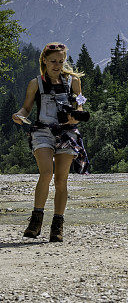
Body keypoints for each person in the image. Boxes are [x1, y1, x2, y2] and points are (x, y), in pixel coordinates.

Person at [11, 42, 90, 242]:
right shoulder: (35, 83)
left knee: (61, 179)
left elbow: (79, 107)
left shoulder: (73, 82)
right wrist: (18, 116)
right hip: (42, 131)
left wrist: (76, 116)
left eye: (61, 61)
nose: (57, 65)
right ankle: (36, 221)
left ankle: (57, 226)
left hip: (67, 132)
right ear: (44, 60)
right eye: (53, 61)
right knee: (46, 173)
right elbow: (26, 108)